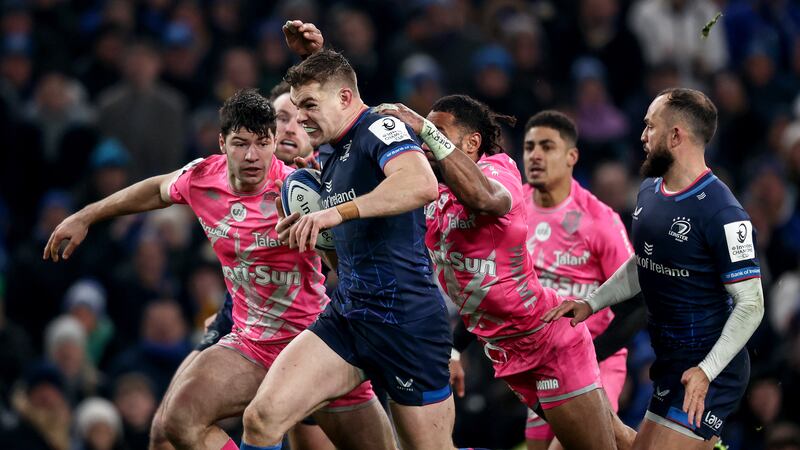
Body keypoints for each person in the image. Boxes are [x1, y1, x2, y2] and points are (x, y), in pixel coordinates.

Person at [43, 87, 395, 450]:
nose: (252, 155)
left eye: (262, 143)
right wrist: (86, 216)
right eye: (241, 144)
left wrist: (325, 222)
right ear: (222, 143)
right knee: (177, 420)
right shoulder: (202, 178)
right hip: (252, 344)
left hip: (314, 343)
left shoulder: (299, 188)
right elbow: (155, 190)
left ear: (274, 142)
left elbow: (352, 260)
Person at [377, 94, 634, 450]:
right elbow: (479, 287)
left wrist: (424, 127)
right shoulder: (433, 193)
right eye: (425, 134)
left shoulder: (498, 171)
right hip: (505, 351)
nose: (426, 142)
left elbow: (484, 198)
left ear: (472, 143)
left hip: (548, 343)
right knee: (619, 439)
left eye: (438, 133)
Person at [248, 48, 466, 450]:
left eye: (309, 105)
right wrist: (314, 236)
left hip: (406, 322)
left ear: (345, 98)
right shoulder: (329, 150)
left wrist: (334, 214)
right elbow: (343, 254)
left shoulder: (380, 128)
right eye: (296, 107)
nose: (301, 118)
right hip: (349, 314)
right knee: (262, 417)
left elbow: (421, 184)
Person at [544, 88, 765, 449]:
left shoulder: (723, 213)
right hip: (671, 363)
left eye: (650, 126)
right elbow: (644, 262)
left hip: (711, 369)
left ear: (676, 136)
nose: (642, 136)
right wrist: (591, 303)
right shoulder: (649, 191)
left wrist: (706, 372)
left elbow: (752, 304)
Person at [521, 110, 644, 450]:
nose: (535, 155)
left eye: (547, 147)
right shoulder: (513, 209)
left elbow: (638, 302)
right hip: (540, 362)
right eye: (529, 147)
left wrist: (592, 356)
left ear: (571, 156)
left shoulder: (599, 219)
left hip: (593, 362)